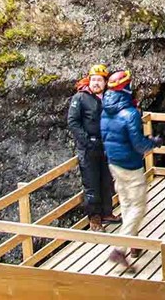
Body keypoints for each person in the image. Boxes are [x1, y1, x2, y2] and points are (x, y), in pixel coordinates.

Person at [100, 69, 162, 270]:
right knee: (138, 206)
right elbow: (138, 144)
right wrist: (153, 143)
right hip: (130, 165)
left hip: (114, 163)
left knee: (126, 203)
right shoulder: (130, 113)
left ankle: (133, 244)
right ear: (125, 87)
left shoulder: (105, 109)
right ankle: (120, 249)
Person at [67, 64, 121, 232]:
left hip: (106, 146)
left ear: (105, 82)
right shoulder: (80, 98)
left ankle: (107, 212)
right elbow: (73, 122)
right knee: (91, 184)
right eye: (93, 79)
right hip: (88, 147)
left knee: (106, 181)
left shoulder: (109, 97)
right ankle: (94, 219)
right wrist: (86, 141)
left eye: (99, 80)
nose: (96, 83)